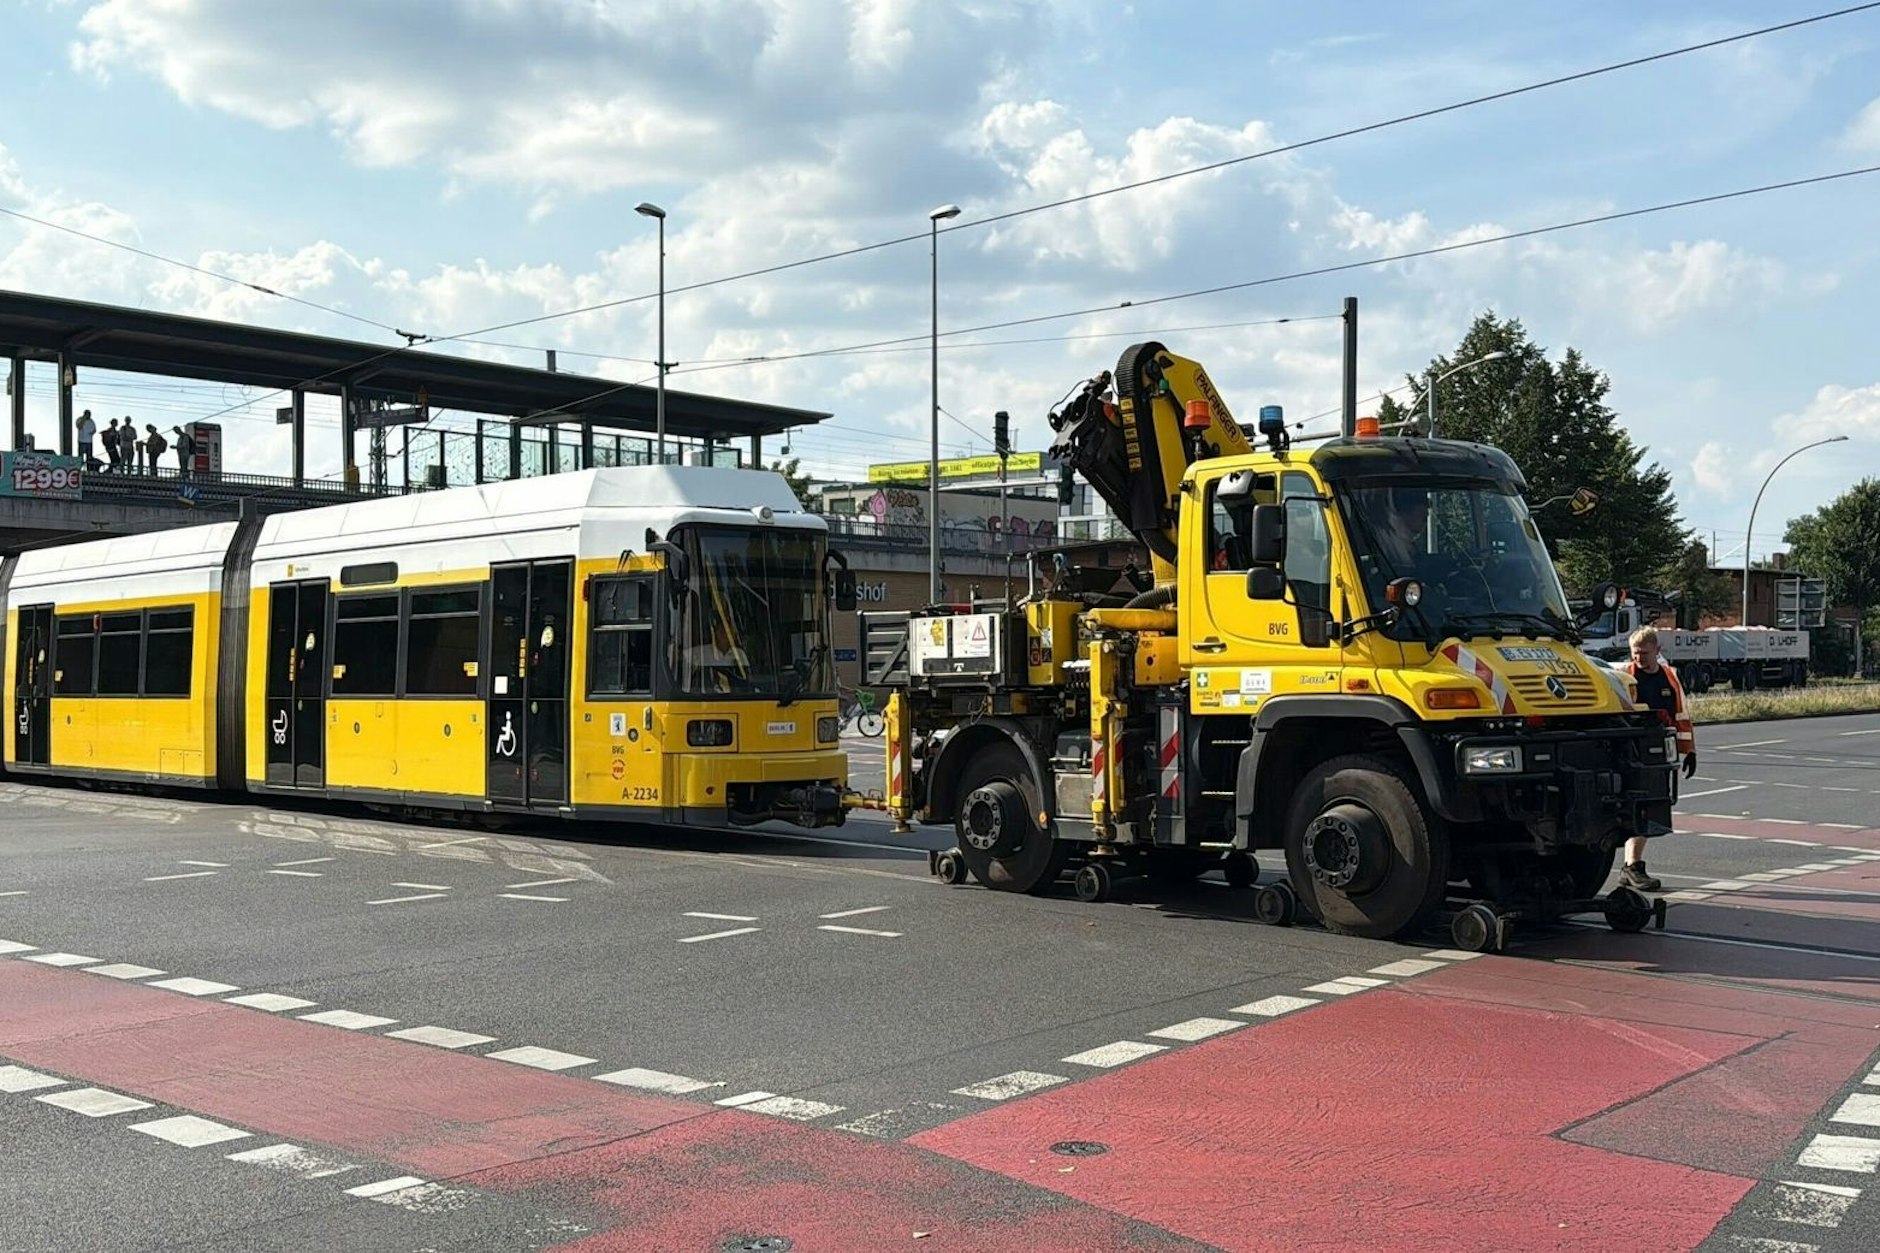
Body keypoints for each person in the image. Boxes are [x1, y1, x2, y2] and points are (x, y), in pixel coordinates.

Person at [1622, 625, 1697, 891]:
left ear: (1657, 650)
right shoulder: (1623, 676)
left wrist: (1689, 751)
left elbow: (1681, 716)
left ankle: (1632, 865)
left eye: (1643, 653)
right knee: (1638, 806)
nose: (1638, 658)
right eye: (1634, 653)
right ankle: (1632, 865)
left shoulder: (1670, 678)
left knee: (1651, 806)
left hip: (1660, 753)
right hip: (1630, 752)